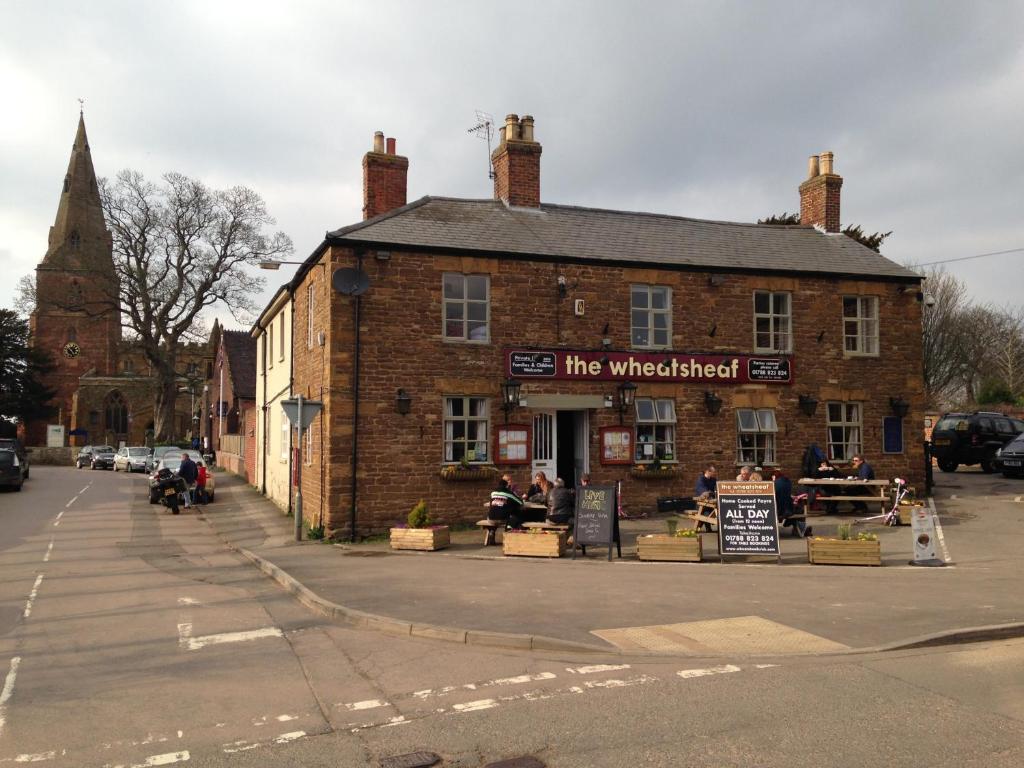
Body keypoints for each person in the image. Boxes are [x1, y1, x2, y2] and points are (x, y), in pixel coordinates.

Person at [773, 469, 811, 538]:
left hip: (777, 510)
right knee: (799, 509)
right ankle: (798, 529)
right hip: (785, 510)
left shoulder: (775, 483)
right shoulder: (788, 482)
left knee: (797, 509)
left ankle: (798, 528)